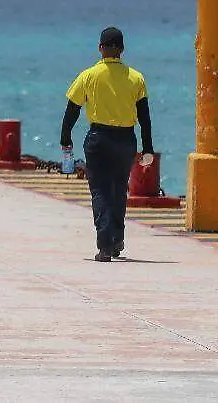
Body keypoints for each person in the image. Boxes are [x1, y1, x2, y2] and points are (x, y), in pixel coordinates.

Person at [60, 27, 154, 262]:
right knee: (119, 189)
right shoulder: (136, 78)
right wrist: (148, 147)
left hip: (99, 139)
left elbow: (72, 109)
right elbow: (144, 117)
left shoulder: (89, 75)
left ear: (100, 48)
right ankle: (117, 240)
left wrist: (66, 137)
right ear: (122, 50)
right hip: (126, 140)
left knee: (100, 189)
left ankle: (104, 245)